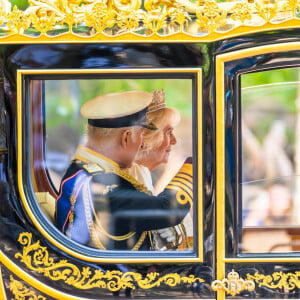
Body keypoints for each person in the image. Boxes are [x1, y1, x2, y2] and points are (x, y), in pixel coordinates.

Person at [55, 90, 193, 251]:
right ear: (126, 137)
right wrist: (194, 166)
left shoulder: (82, 169)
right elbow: (168, 210)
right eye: (141, 135)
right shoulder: (101, 186)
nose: (142, 143)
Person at [127, 89, 193, 250]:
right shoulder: (125, 184)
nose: (174, 141)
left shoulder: (144, 178)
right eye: (169, 132)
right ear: (143, 139)